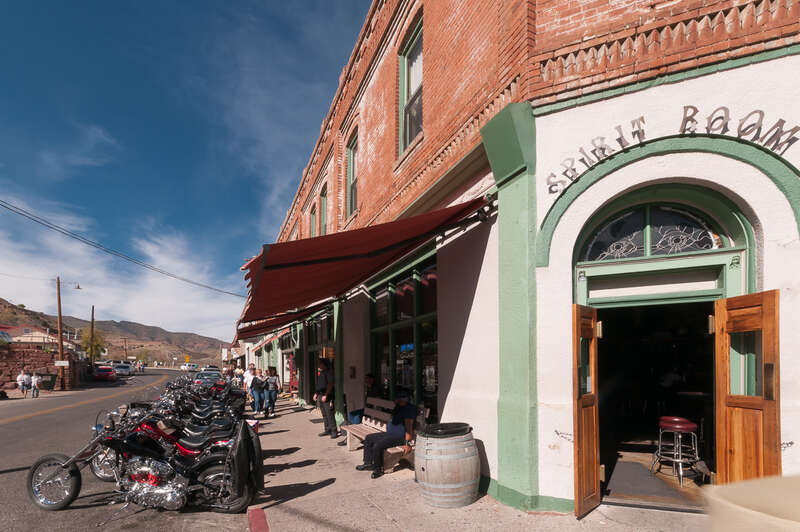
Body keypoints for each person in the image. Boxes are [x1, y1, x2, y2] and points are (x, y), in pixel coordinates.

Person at [356, 389, 417, 478]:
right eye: (397, 398)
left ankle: (378, 469)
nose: (398, 400)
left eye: (401, 398)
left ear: (407, 399)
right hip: (390, 434)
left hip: (399, 437)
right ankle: (368, 463)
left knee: (378, 445)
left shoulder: (409, 409)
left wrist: (407, 443)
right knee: (369, 438)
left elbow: (409, 427)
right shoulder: (399, 406)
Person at [313, 359, 337, 438]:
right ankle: (327, 429)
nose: (319, 365)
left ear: (324, 364)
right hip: (320, 395)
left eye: (320, 364)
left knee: (329, 414)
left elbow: (330, 384)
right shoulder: (321, 373)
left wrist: (326, 395)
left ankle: (334, 431)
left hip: (327, 396)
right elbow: (320, 385)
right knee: (324, 414)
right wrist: (316, 393)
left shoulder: (329, 372)